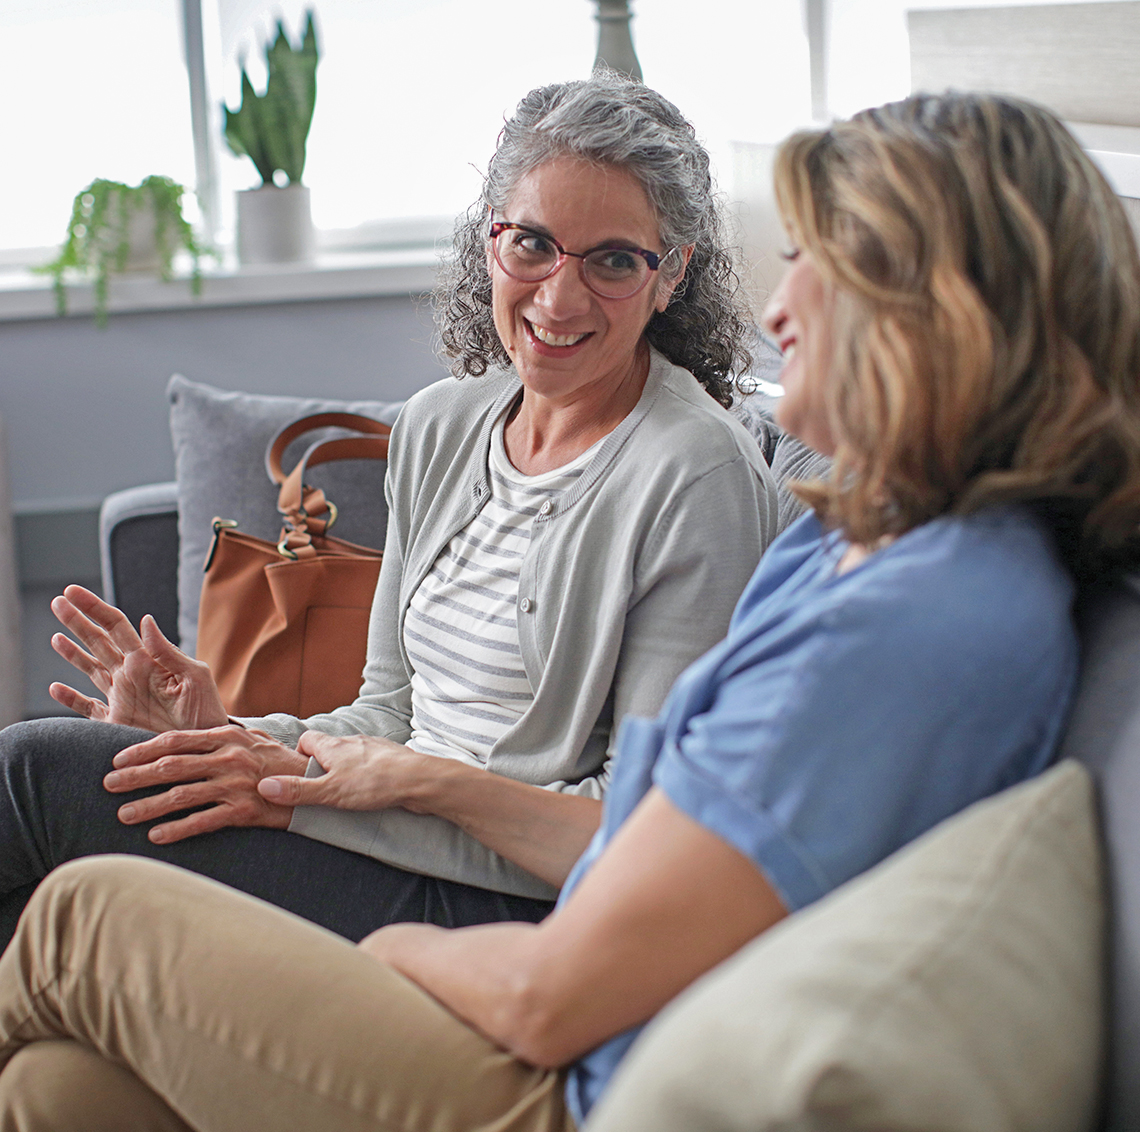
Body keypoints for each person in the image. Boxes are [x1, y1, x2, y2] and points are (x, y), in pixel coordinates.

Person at [2, 88, 1138, 1131]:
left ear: (947, 313)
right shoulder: (855, 546)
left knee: (69, 888)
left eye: (824, 265)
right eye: (531, 242)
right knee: (62, 1088)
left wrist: (388, 937)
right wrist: (245, 743)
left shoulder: (931, 615)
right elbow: (404, 720)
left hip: (576, 1053)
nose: (780, 310)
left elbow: (572, 964)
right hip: (523, 956)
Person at [0, 72, 777, 947]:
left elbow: (640, 834)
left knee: (35, 774)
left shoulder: (696, 475)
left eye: (613, 260)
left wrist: (387, 784)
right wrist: (225, 735)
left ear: (669, 275)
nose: (559, 298)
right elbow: (386, 715)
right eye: (532, 244)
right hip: (370, 840)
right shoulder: (442, 424)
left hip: (507, 909)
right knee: (61, 858)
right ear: (489, 243)